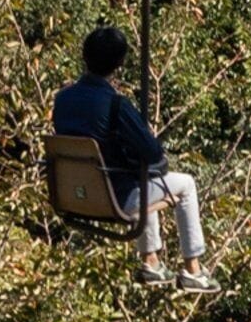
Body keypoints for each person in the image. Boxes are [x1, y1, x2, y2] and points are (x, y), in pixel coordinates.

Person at [51, 25, 214, 289]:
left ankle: (151, 260)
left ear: (84, 57)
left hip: (73, 195)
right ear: (119, 63)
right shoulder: (115, 104)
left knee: (142, 176)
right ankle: (193, 269)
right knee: (184, 184)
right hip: (115, 198)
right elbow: (152, 151)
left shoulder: (63, 99)